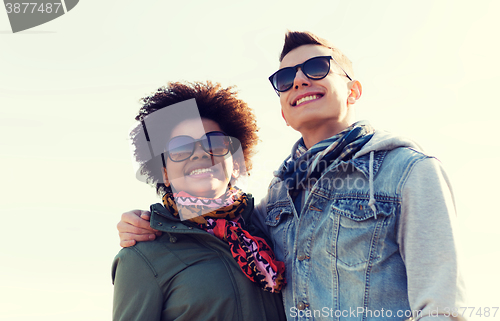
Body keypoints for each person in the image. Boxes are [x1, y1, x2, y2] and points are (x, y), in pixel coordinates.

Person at [118, 32, 466, 320]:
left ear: (353, 91)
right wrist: (146, 220)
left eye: (317, 68)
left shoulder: (407, 172)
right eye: (285, 79)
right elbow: (202, 217)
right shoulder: (275, 204)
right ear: (284, 111)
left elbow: (442, 307)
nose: (299, 80)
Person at [112, 81, 286, 321]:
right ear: (164, 173)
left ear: (235, 164)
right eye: (181, 148)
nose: (200, 153)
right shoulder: (143, 256)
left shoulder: (273, 229)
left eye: (214, 143)